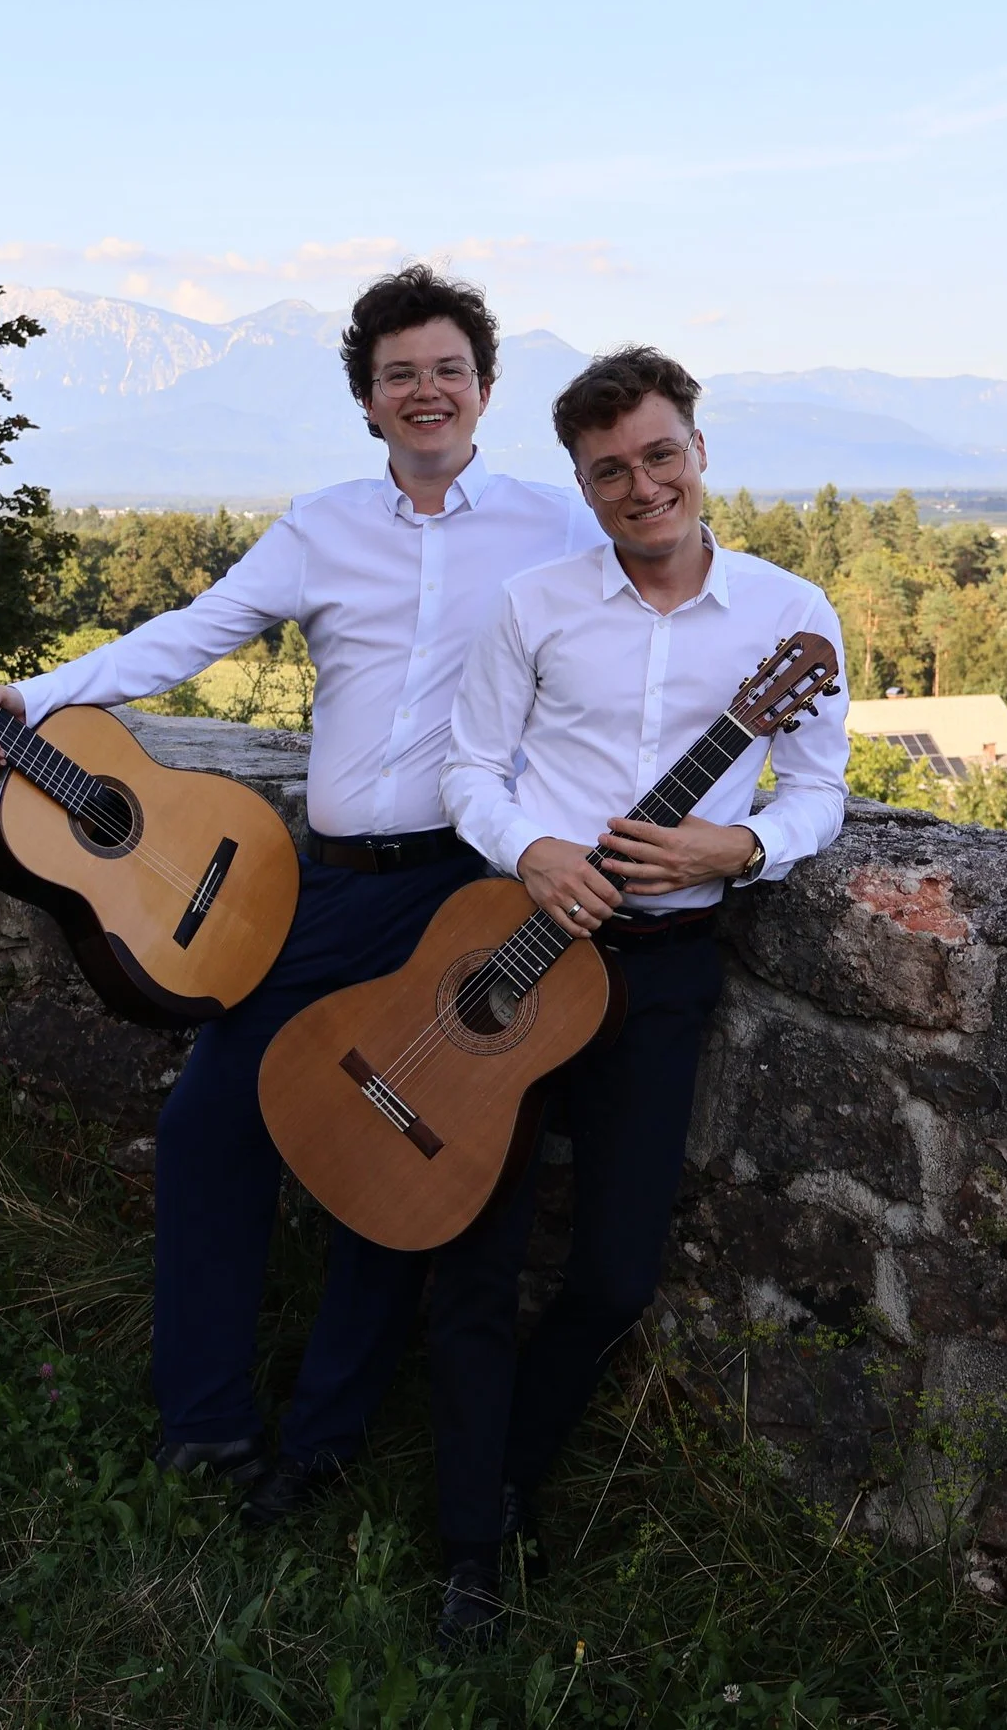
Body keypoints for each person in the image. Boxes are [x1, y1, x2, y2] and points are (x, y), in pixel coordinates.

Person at [0, 267, 603, 1492]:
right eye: (399, 373)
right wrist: (37, 693)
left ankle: (324, 1439)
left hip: (471, 889)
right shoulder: (321, 525)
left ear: (485, 389)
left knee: (387, 1149)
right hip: (331, 888)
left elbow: (661, 620)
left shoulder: (556, 525)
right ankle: (203, 1422)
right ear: (367, 399)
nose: (426, 392)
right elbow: (189, 632)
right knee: (211, 1126)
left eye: (448, 370)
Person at [415, 343, 849, 1640]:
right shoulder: (536, 604)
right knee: (475, 1258)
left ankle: (501, 1477)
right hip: (516, 948)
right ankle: (468, 1548)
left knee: (611, 1273)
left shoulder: (790, 615)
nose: (643, 485)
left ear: (700, 452)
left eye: (661, 455)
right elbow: (468, 770)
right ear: (585, 486)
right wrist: (531, 851)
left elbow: (818, 788)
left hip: (659, 971)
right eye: (612, 470)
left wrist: (743, 846)